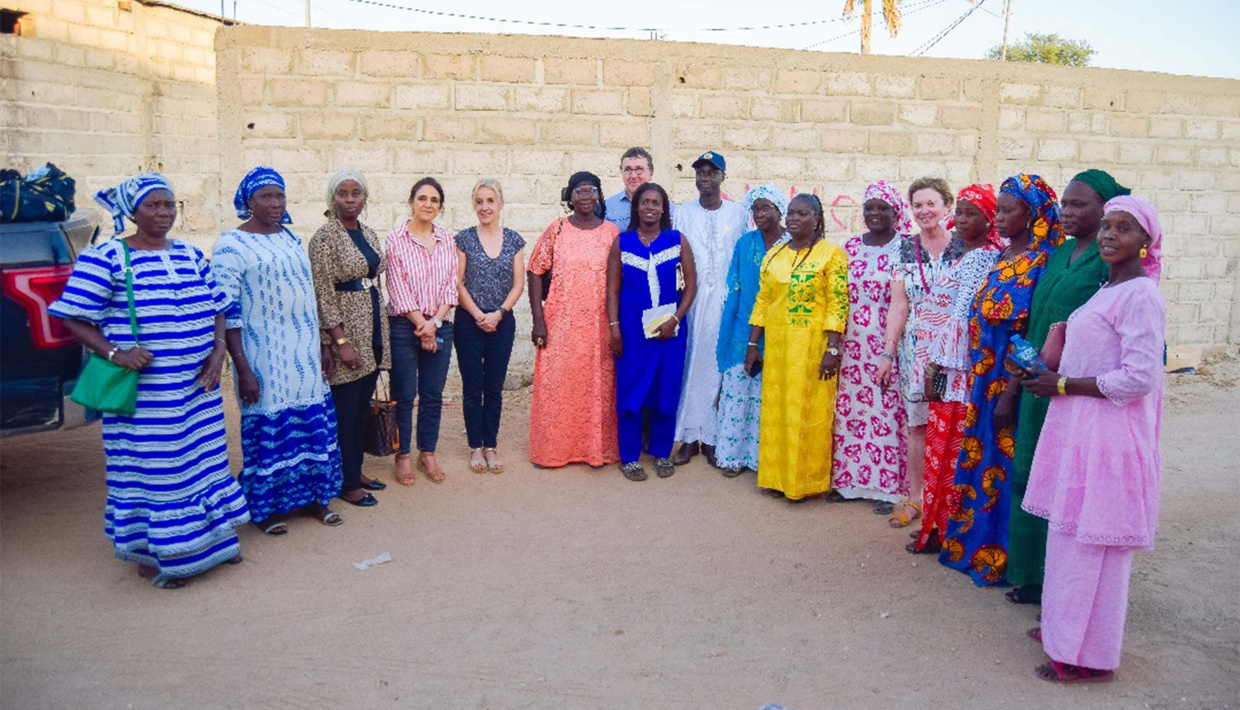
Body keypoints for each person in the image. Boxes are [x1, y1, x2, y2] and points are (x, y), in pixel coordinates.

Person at [49, 173, 249, 588]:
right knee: (159, 472)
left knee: (205, 462)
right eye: (152, 205)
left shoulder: (190, 255)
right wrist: (116, 353)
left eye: (168, 204)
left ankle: (213, 541)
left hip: (198, 389)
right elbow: (72, 316)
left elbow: (219, 306)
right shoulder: (107, 258)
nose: (163, 213)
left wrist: (217, 353)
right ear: (132, 212)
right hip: (147, 397)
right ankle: (157, 554)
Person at [1020, 195, 1165, 684]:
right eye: (1106, 226)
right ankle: (1065, 629)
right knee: (1070, 536)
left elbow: (1139, 377)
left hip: (1109, 435)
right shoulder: (1109, 289)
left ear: (1145, 241)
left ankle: (1087, 654)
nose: (1108, 235)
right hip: (1082, 429)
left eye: (1123, 228)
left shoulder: (1141, 295)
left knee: (1094, 543)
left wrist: (1061, 385)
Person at [1006, 169, 1129, 605]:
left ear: (1105, 210)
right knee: (1031, 473)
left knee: (1068, 483)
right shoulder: (1059, 253)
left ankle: (1061, 583)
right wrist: (1015, 385)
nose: (1067, 211)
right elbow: (1037, 319)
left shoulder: (1109, 261)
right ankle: (1028, 574)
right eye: (1064, 203)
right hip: (1038, 382)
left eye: (1079, 204)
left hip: (1074, 389)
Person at [938, 173, 1063, 587]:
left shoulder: (1043, 262)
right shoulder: (1002, 256)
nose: (1000, 217)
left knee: (1006, 468)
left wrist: (1009, 393)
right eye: (999, 209)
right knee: (982, 458)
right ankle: (974, 546)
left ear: (1032, 214)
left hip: (1011, 382)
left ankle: (1008, 558)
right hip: (982, 379)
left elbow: (1031, 334)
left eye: (1009, 210)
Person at [212, 167, 344, 533]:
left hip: (304, 356)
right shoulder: (231, 245)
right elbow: (227, 310)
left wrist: (323, 345)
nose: (275, 203)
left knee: (312, 427)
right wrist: (243, 368)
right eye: (266, 196)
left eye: (279, 196)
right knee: (270, 431)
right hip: (263, 360)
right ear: (249, 201)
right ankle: (267, 510)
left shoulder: (290, 238)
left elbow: (308, 298)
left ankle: (316, 499)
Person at [909, 184, 1002, 554]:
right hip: (951, 371)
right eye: (959, 212)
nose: (961, 220)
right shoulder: (972, 255)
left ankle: (945, 532)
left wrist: (933, 369)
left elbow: (961, 318)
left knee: (948, 453)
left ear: (988, 220)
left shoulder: (980, 258)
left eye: (970, 214)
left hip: (953, 376)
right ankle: (940, 529)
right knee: (944, 452)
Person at [745, 194, 848, 502]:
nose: (793, 219)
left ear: (816, 219)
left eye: (802, 214)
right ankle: (776, 478)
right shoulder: (774, 256)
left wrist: (832, 349)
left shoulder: (831, 255)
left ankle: (803, 483)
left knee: (807, 413)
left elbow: (838, 303)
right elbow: (763, 301)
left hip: (811, 349)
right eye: (791, 213)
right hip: (778, 348)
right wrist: (753, 344)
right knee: (777, 411)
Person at [877, 177, 964, 528]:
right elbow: (899, 305)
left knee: (955, 423)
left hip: (956, 352)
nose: (925, 211)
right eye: (918, 205)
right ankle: (915, 498)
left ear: (947, 207)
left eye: (931, 203)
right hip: (915, 351)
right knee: (917, 425)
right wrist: (887, 354)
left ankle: (952, 502)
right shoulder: (903, 249)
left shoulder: (965, 247)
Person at [527, 171, 621, 468]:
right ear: (569, 196)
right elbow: (534, 271)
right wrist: (538, 320)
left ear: (599, 195)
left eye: (591, 190)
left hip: (598, 325)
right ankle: (554, 451)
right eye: (579, 191)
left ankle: (596, 450)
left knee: (597, 387)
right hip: (560, 323)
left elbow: (619, 280)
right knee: (557, 386)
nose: (585, 196)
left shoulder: (611, 233)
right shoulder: (557, 229)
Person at [309, 169, 391, 508]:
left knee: (361, 408)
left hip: (372, 325)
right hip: (347, 330)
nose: (349, 199)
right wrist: (339, 341)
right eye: (342, 193)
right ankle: (347, 482)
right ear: (333, 197)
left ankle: (355, 470)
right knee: (346, 409)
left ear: (365, 197)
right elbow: (322, 293)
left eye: (356, 193)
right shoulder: (324, 237)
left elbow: (376, 275)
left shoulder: (368, 232)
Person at [831, 181, 914, 513]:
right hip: (853, 344)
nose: (875, 213)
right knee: (851, 411)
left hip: (889, 343)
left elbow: (906, 300)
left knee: (886, 410)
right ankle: (848, 482)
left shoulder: (907, 247)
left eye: (883, 208)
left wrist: (889, 349)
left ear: (896, 212)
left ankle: (888, 489)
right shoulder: (850, 247)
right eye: (869, 208)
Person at [606, 182, 698, 481]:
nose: (649, 207)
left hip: (670, 331)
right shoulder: (622, 243)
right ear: (636, 207)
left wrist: (675, 319)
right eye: (644, 202)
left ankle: (661, 452)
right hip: (632, 332)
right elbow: (612, 290)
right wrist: (615, 329)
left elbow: (691, 286)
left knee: (666, 389)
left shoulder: (677, 240)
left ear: (663, 209)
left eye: (656, 203)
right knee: (630, 389)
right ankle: (630, 457)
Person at [671, 151, 750, 467]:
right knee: (691, 366)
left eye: (711, 172)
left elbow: (744, 259)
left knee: (720, 369)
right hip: (692, 304)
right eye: (700, 172)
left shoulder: (738, 214)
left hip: (727, 304)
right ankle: (689, 438)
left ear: (722, 177)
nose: (705, 177)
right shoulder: (682, 214)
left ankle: (714, 439)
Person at [385, 177, 458, 485]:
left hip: (440, 324)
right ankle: (402, 455)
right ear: (411, 202)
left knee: (432, 394)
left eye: (434, 200)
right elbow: (397, 287)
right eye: (422, 198)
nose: (428, 204)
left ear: (440, 207)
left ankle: (427, 452)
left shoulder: (447, 240)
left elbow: (451, 285)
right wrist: (422, 325)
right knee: (404, 394)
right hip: (404, 326)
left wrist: (434, 323)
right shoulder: (395, 239)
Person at [714, 183, 790, 476]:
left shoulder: (793, 244)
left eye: (766, 208)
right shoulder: (745, 244)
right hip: (743, 328)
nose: (759, 214)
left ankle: (764, 460)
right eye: (755, 208)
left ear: (780, 210)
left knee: (769, 396)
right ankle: (732, 457)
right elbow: (734, 286)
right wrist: (730, 326)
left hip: (781, 330)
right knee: (738, 389)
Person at [455, 179, 525, 474]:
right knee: (473, 386)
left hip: (502, 322)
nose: (485, 207)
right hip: (468, 322)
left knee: (493, 387)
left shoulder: (514, 240)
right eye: (479, 201)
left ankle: (490, 445)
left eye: (490, 201)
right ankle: (475, 446)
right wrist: (478, 315)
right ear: (474, 205)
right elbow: (458, 283)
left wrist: (498, 314)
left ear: (500, 204)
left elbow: (518, 284)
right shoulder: (463, 239)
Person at [604, 147, 654, 233]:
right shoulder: (607, 207)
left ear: (651, 174)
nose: (633, 176)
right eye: (628, 170)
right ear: (622, 173)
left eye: (639, 170)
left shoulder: (666, 207)